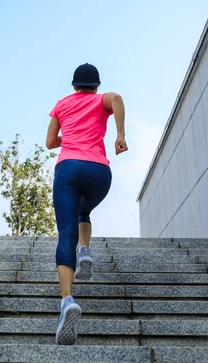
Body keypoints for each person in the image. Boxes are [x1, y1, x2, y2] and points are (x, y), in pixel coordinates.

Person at [45, 63, 128, 345]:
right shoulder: (99, 100)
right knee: (84, 209)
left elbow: (48, 142)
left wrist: (68, 136)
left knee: (66, 230)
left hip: (68, 168)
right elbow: (116, 98)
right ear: (95, 87)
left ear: (73, 87)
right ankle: (85, 252)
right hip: (98, 172)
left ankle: (67, 301)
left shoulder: (61, 105)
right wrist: (120, 135)